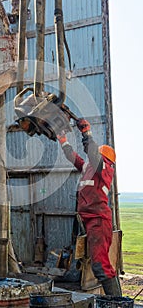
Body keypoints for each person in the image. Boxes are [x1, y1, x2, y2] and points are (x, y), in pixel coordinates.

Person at [57, 118, 122, 296]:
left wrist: (86, 132)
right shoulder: (90, 167)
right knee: (98, 264)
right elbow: (74, 158)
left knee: (100, 266)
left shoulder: (104, 168)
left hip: (98, 221)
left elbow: (92, 153)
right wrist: (64, 141)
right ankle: (116, 301)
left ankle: (116, 303)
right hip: (88, 220)